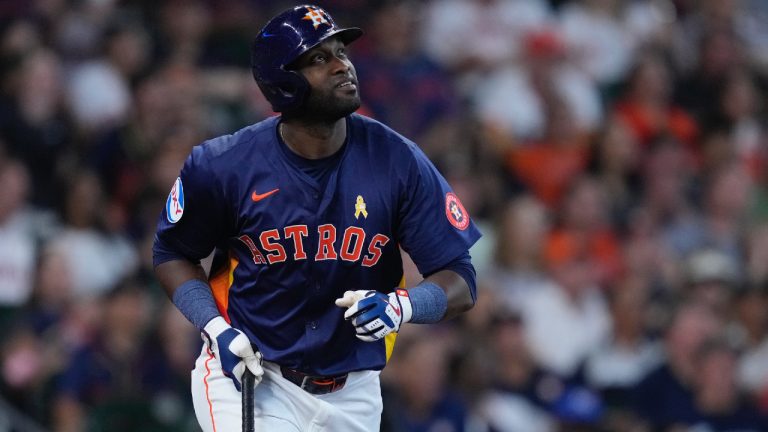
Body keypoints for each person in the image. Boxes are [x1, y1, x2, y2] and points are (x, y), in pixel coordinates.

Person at [152, 4, 481, 432]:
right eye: (320, 58)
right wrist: (215, 327)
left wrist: (404, 306)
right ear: (283, 83)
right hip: (253, 375)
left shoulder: (397, 160)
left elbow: (460, 278)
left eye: (341, 52)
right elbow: (171, 253)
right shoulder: (224, 165)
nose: (343, 65)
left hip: (354, 390)